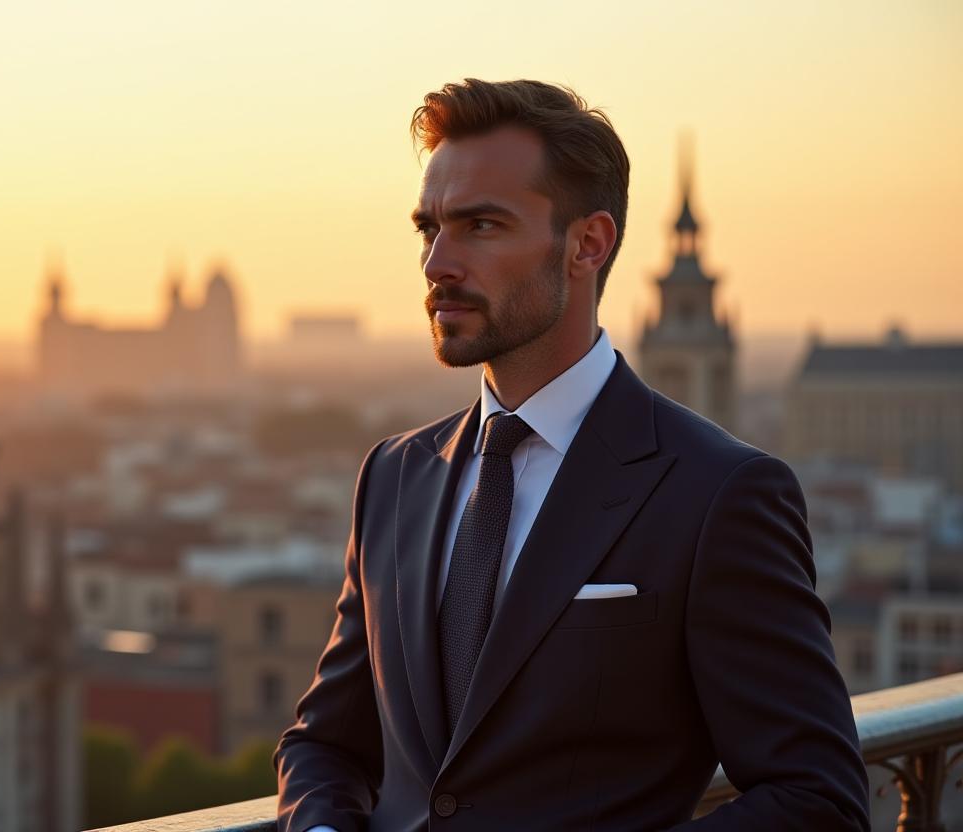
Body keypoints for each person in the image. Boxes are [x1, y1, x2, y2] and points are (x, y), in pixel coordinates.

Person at [273, 79, 870, 831]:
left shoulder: (720, 493)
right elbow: (326, 741)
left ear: (588, 244)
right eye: (428, 229)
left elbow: (817, 798)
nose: (436, 263)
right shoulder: (394, 474)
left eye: (481, 226)